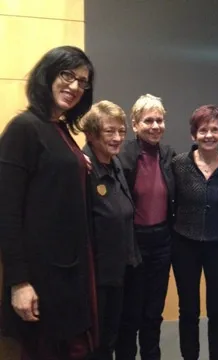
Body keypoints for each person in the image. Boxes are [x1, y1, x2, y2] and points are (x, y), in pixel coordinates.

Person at [0, 46, 96, 359]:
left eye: (82, 82)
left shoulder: (61, 130)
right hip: (41, 279)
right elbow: (7, 210)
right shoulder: (24, 128)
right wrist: (19, 282)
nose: (74, 86)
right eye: (67, 75)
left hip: (68, 273)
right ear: (48, 74)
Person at [171, 105, 218, 360]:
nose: (208, 135)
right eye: (202, 130)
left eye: (214, 129)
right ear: (193, 135)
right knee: (188, 310)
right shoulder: (178, 164)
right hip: (184, 245)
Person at [115, 94, 175, 360]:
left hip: (162, 243)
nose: (155, 126)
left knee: (153, 313)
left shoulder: (169, 155)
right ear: (135, 124)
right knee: (130, 315)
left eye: (159, 120)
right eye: (148, 120)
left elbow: (198, 162)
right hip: (133, 243)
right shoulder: (122, 155)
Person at [81, 101, 138, 360]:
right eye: (109, 132)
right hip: (94, 276)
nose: (117, 138)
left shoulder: (114, 165)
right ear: (92, 134)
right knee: (95, 343)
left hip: (118, 270)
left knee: (111, 337)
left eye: (121, 131)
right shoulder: (83, 169)